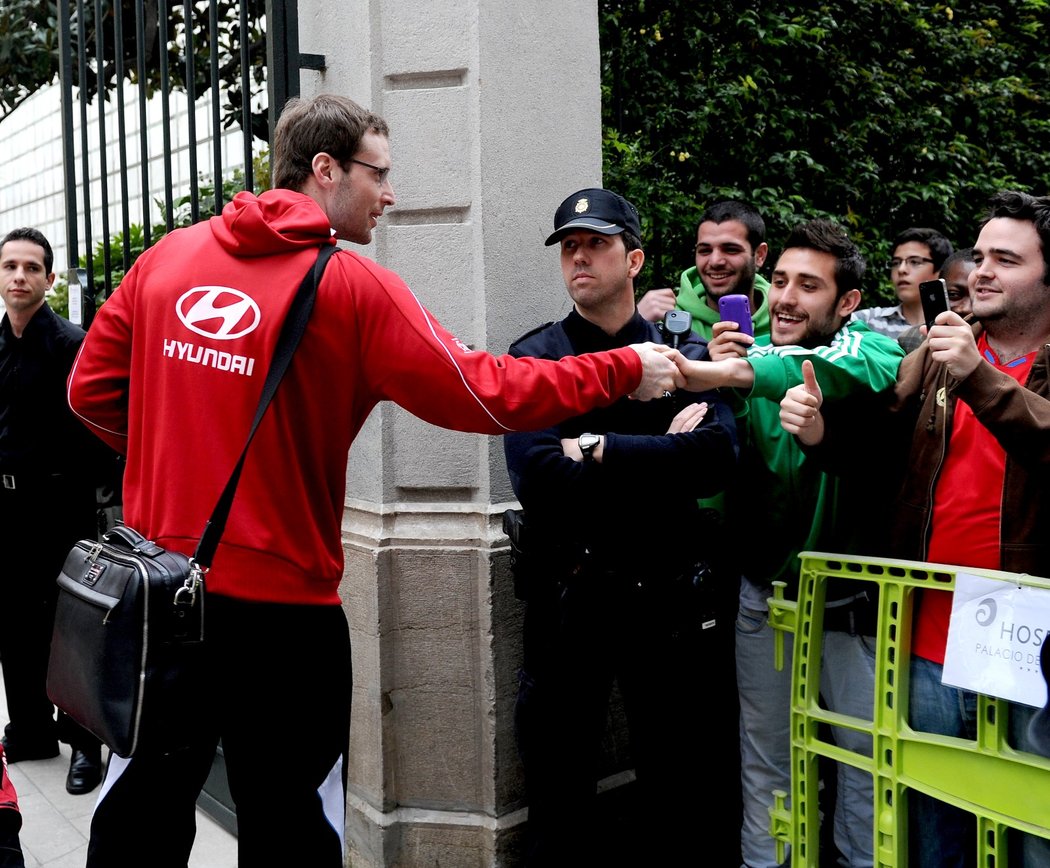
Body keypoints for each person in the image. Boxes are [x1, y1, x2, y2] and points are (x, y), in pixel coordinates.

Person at [65, 94, 683, 868]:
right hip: (284, 619)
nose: (389, 194)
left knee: (138, 818)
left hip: (162, 601)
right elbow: (485, 390)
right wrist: (625, 365)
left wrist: (174, 461)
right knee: (293, 826)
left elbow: (88, 390)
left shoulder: (167, 258)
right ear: (324, 170)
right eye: (378, 174)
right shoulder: (352, 288)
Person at [782, 191, 1050, 868]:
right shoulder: (940, 350)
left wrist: (979, 377)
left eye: (1007, 260)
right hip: (931, 637)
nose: (981, 271)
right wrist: (820, 428)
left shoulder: (966, 359)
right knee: (938, 832)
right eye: (980, 255)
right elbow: (881, 435)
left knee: (1034, 833)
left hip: (1035, 653)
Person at [503, 188, 738, 865]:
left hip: (663, 598)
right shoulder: (538, 356)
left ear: (633, 258)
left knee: (675, 783)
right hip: (568, 598)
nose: (579, 256)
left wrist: (597, 446)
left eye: (596, 243)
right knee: (558, 785)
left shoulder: (682, 354)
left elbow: (715, 458)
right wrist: (663, 451)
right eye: (569, 246)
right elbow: (539, 479)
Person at [671, 219, 905, 867]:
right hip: (763, 596)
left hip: (852, 608)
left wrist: (729, 374)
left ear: (848, 302)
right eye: (779, 282)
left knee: (863, 766)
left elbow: (829, 369)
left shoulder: (873, 348)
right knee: (765, 757)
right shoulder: (747, 363)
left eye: (810, 285)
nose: (787, 298)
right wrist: (716, 396)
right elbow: (725, 470)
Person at [0, 228, 107, 796]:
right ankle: (30, 731)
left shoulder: (72, 343)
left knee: (71, 628)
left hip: (59, 506)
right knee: (14, 624)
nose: (20, 276)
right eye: (11, 266)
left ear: (48, 278)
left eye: (31, 267)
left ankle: (86, 745)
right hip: (6, 507)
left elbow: (102, 427)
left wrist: (81, 492)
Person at [636, 200, 771, 338]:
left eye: (730, 250)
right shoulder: (666, 321)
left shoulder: (786, 316)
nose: (715, 261)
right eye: (705, 250)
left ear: (760, 255)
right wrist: (634, 324)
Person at [853, 227, 953, 339]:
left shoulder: (955, 327)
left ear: (940, 270)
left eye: (914, 262)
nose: (901, 269)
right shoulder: (866, 321)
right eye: (896, 263)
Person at [897, 247, 976, 353]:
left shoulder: (1001, 343)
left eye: (978, 295)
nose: (965, 308)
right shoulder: (911, 340)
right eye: (953, 294)